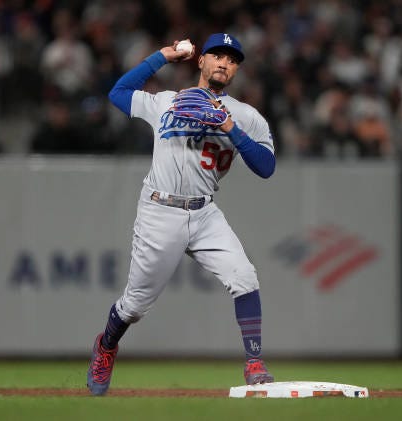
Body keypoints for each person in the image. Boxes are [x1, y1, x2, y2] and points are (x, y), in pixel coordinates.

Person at [86, 33, 276, 396]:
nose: (224, 62)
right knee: (135, 305)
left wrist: (230, 128)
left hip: (205, 211)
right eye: (217, 55)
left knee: (244, 276)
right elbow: (118, 93)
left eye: (232, 59)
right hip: (160, 209)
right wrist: (161, 56)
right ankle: (107, 346)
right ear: (201, 61)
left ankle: (254, 362)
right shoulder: (168, 102)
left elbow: (266, 167)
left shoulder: (246, 116)